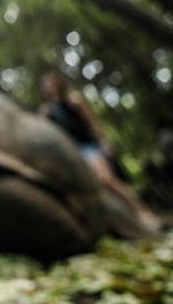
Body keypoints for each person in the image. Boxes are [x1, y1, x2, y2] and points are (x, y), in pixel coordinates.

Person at [39, 70, 161, 233]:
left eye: (53, 84)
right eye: (48, 86)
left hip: (88, 147)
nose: (51, 88)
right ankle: (123, 223)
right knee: (92, 188)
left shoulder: (74, 101)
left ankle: (144, 212)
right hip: (72, 153)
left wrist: (104, 142)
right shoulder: (48, 111)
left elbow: (93, 122)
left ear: (60, 85)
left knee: (107, 179)